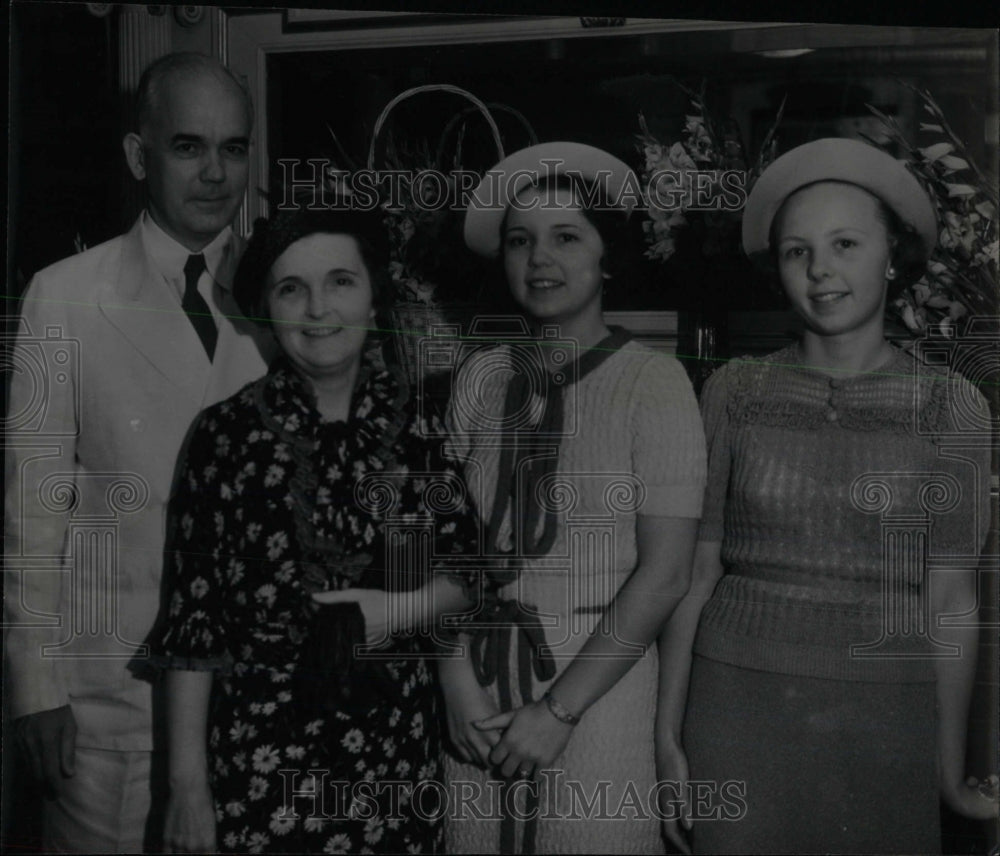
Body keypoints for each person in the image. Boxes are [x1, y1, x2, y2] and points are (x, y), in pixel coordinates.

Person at [657, 137, 997, 854]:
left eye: (845, 243)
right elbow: (694, 575)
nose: (820, 271)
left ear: (893, 256)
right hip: (737, 710)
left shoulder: (952, 406)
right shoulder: (734, 390)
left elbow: (952, 602)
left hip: (886, 718)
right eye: (796, 251)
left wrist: (947, 769)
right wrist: (667, 739)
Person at [151, 201, 485, 854]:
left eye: (340, 281)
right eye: (291, 288)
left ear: (371, 296)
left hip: (394, 754)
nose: (318, 309)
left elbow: (468, 574)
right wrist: (187, 788)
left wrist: (396, 611)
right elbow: (195, 624)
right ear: (265, 309)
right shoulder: (225, 436)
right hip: (258, 761)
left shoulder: (419, 426)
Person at [4, 52, 273, 852]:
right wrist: (34, 685)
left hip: (255, 706)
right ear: (138, 156)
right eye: (189, 147)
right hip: (107, 703)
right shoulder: (64, 294)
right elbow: (31, 512)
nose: (215, 173)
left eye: (233, 148)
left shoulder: (290, 294)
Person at [438, 142, 707, 853]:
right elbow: (431, 544)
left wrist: (558, 711)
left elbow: (667, 573)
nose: (539, 259)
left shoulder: (654, 383)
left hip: (598, 694)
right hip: (476, 696)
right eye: (521, 241)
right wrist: (453, 679)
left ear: (607, 256)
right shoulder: (480, 378)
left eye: (566, 237)